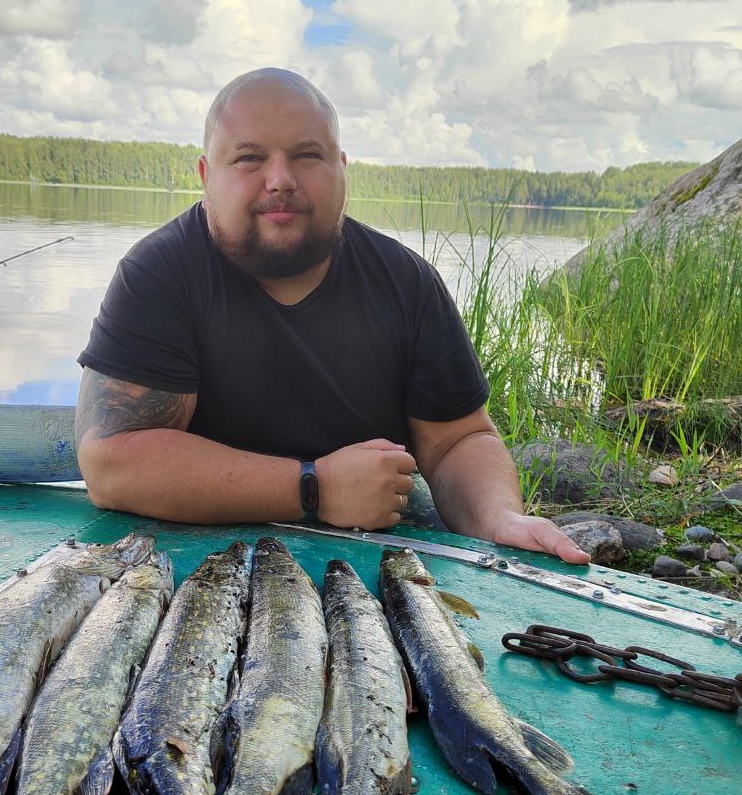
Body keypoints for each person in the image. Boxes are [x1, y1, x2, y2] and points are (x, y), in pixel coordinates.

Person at [76, 68, 588, 564]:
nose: (280, 180)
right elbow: (112, 463)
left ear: (342, 168)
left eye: (307, 155)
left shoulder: (406, 284)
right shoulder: (160, 272)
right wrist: (315, 486)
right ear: (207, 175)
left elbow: (457, 439)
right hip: (192, 556)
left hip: (372, 555)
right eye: (250, 158)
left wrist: (499, 518)